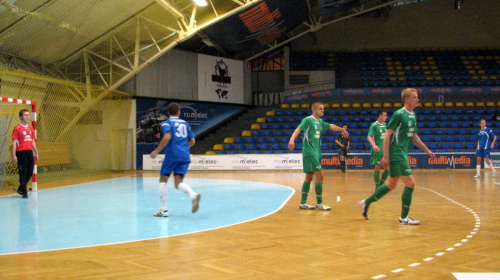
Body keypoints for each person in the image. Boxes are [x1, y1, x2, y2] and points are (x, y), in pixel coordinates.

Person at [358, 88, 436, 225]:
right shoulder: (399, 114)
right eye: (414, 97)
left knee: (391, 184)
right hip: (397, 153)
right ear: (406, 99)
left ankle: (366, 202)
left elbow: (414, 136)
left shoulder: (413, 115)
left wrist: (427, 150)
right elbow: (388, 134)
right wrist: (386, 156)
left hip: (402, 153)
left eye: (417, 97)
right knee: (411, 183)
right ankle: (403, 217)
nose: (417, 99)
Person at [289, 102, 349, 210]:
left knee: (309, 177)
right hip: (309, 151)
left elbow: (331, 126)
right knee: (320, 176)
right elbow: (298, 129)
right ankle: (320, 203)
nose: (323, 111)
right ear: (314, 110)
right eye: (321, 109)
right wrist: (292, 139)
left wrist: (341, 129)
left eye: (323, 109)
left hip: (316, 152)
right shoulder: (308, 120)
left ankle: (303, 202)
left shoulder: (320, 122)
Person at [150, 102, 200, 217]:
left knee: (163, 179)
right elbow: (193, 141)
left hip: (172, 154)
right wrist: (183, 148)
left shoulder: (166, 123)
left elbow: (167, 137)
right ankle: (193, 195)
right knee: (178, 183)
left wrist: (156, 151)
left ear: (168, 112)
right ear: (179, 112)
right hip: (184, 155)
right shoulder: (186, 124)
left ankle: (164, 210)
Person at [12, 109, 38, 198]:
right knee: (23, 172)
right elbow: (14, 142)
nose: (27, 116)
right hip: (21, 152)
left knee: (30, 172)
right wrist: (13, 155)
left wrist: (36, 152)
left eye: (28, 115)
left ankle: (20, 188)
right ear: (21, 117)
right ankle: (24, 191)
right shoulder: (17, 128)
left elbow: (32, 141)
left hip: (29, 152)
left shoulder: (31, 128)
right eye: (25, 115)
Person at [367, 110, 389, 189]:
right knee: (378, 168)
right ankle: (377, 187)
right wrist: (374, 145)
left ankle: (381, 184)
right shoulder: (374, 125)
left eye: (386, 115)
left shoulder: (385, 125)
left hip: (385, 150)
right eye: (384, 115)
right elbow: (369, 136)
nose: (386, 117)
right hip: (378, 150)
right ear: (380, 116)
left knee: (388, 167)